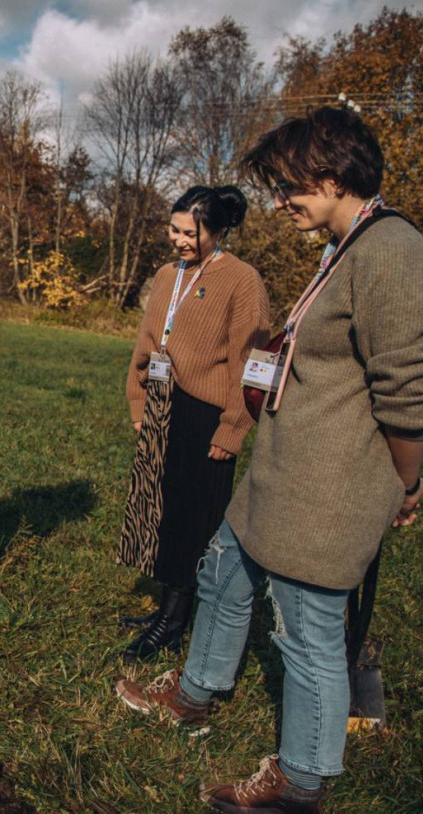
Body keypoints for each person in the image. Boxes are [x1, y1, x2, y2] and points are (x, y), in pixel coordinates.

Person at [115, 107, 423, 813]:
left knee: (309, 627)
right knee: (223, 572)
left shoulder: (394, 252)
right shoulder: (346, 246)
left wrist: (407, 484)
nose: (279, 202)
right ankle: (194, 694)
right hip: (279, 474)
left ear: (335, 170)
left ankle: (300, 781)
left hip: (329, 486)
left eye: (288, 186)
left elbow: (407, 395)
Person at [117, 186, 270, 662]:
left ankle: (177, 618)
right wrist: (139, 402)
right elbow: (147, 341)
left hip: (206, 413)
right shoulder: (167, 274)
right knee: (157, 507)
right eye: (175, 230)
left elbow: (255, 362)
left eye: (192, 233)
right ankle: (167, 603)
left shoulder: (242, 280)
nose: (181, 240)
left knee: (190, 516)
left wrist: (233, 426)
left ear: (219, 231)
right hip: (161, 403)